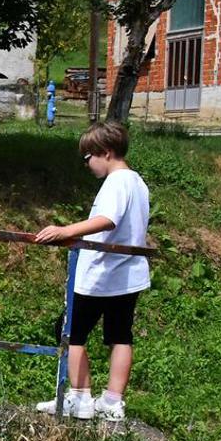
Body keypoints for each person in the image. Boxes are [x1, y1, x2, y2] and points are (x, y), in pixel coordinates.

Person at [34, 122, 151, 421]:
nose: (87, 165)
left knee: (70, 331)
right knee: (120, 335)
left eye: (88, 158)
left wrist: (65, 231)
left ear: (106, 152)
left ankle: (80, 398)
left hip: (100, 275)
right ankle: (112, 401)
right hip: (128, 275)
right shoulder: (138, 182)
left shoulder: (116, 182)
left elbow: (107, 219)